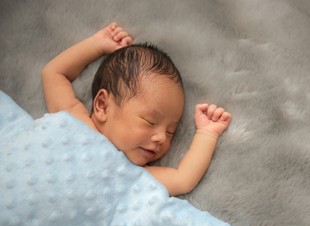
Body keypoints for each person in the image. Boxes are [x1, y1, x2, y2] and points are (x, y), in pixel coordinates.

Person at [41, 22, 231, 196]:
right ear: (103, 105)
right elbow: (54, 74)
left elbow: (183, 179)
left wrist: (207, 134)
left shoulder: (132, 175)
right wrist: (97, 44)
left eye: (170, 131)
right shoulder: (75, 121)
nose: (161, 138)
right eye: (150, 121)